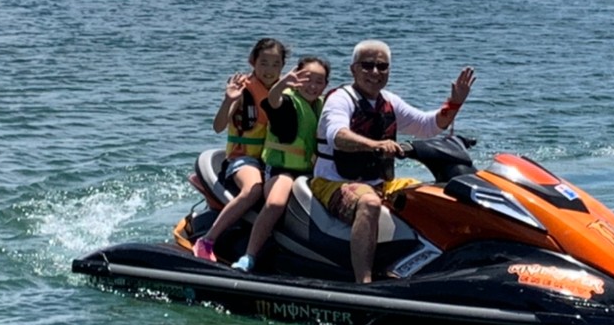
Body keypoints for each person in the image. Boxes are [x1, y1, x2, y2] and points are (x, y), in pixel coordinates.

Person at [310, 40, 475, 283]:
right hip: (333, 181)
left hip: (380, 182)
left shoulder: (388, 102)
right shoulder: (340, 99)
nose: (375, 72)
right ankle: (363, 282)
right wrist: (375, 145)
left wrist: (454, 103)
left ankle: (441, 265)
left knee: (436, 195)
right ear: (353, 69)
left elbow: (428, 126)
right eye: (367, 66)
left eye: (382, 66)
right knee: (369, 203)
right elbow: (338, 136)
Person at [232, 56, 332, 273]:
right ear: (295, 78)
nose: (313, 86)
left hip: (309, 173)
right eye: (307, 79)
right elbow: (273, 101)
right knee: (277, 202)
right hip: (280, 171)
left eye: (319, 81)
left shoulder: (322, 106)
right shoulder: (286, 101)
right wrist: (283, 84)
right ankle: (249, 256)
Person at [194, 37, 286, 262]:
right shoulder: (242, 89)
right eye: (264, 63)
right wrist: (228, 100)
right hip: (243, 159)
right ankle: (208, 239)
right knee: (254, 190)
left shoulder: (284, 90)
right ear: (252, 62)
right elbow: (218, 127)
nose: (269, 70)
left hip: (273, 160)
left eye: (276, 65)